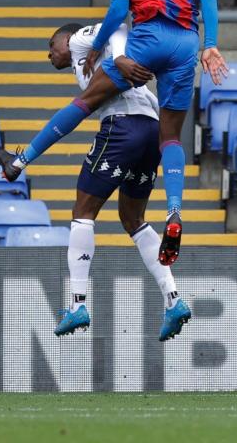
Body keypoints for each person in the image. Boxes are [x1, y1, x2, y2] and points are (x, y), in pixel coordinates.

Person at [0, 0, 228, 267]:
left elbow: (119, 9)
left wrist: (100, 44)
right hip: (186, 43)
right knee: (170, 137)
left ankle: (21, 162)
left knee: (85, 101)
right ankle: (174, 212)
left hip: (148, 38)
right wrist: (210, 44)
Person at [46, 23, 191, 341]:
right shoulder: (87, 63)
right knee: (133, 219)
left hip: (122, 126)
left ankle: (77, 304)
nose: (49, 53)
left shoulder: (83, 41)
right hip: (151, 131)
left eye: (52, 44)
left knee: (83, 211)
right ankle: (173, 299)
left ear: (66, 39)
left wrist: (121, 54)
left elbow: (118, 26)